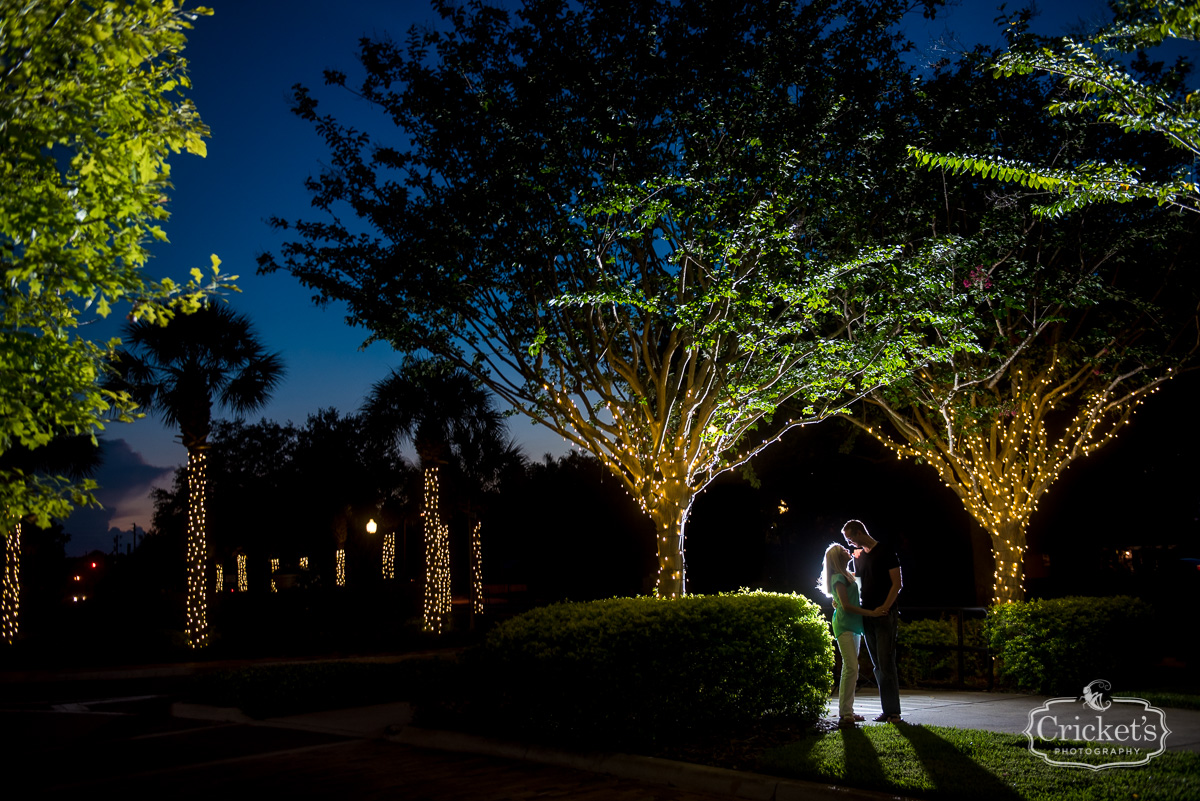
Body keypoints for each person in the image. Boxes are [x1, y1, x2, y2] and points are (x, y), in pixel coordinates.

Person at [842, 519, 903, 724]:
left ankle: (893, 711)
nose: (849, 543)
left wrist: (885, 607)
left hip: (885, 615)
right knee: (877, 664)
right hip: (867, 615)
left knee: (886, 662)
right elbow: (856, 584)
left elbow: (897, 583)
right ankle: (888, 710)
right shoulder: (858, 558)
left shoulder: (886, 551)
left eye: (850, 538)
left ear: (859, 533)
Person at [819, 542, 883, 728]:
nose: (848, 551)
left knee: (852, 668)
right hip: (845, 624)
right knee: (851, 667)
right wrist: (871, 613)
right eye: (844, 550)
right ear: (838, 557)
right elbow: (846, 606)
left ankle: (848, 710)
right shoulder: (838, 577)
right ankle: (845, 712)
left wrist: (859, 556)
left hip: (854, 625)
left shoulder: (847, 575)